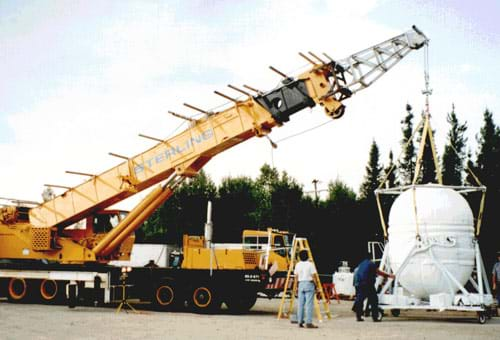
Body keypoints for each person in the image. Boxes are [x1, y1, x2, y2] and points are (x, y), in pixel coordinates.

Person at [353, 256, 394, 322]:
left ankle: (359, 316)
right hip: (367, 284)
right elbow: (378, 272)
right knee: (374, 300)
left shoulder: (362, 264)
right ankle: (375, 317)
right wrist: (388, 275)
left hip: (359, 283)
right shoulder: (371, 264)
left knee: (360, 299)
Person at [294, 250, 319, 329]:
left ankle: (300, 321)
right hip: (309, 283)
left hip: (300, 284)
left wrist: (295, 287)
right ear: (308, 256)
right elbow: (314, 276)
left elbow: (296, 277)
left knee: (300, 304)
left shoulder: (297, 265)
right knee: (309, 304)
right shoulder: (310, 265)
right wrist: (317, 285)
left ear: (299, 257)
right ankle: (308, 322)